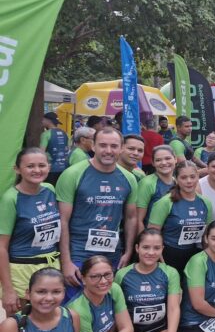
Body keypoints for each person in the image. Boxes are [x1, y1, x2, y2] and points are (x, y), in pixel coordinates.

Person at [56, 128, 138, 299]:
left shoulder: (129, 178)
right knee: (75, 308)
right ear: (93, 146)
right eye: (103, 145)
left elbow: (131, 217)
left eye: (114, 146)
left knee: (105, 306)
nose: (108, 150)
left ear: (121, 148)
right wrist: (66, 262)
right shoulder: (72, 174)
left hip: (111, 255)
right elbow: (62, 220)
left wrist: (128, 251)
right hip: (78, 254)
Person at [115, 229, 182, 332]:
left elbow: (174, 308)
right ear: (137, 248)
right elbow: (114, 311)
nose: (151, 252)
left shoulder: (170, 272)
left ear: (162, 250)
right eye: (146, 247)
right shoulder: (122, 275)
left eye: (156, 248)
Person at [0, 149, 62, 315]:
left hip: (51, 266)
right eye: (30, 166)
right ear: (17, 169)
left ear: (49, 167)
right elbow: (1, 247)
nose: (37, 170)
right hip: (21, 271)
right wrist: (8, 290)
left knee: (49, 323)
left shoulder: (50, 189)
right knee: (20, 327)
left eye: (42, 165)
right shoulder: (11, 198)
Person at [148, 161, 213, 274]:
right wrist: (160, 262)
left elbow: (206, 236)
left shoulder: (205, 202)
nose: (189, 181)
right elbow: (152, 235)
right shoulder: (165, 202)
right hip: (168, 255)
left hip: (193, 256)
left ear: (198, 177)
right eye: (183, 177)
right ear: (176, 179)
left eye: (192, 177)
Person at [136, 145, 177, 232]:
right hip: (153, 237)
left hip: (172, 238)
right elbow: (138, 220)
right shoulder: (147, 183)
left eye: (167, 158)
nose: (164, 162)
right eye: (158, 160)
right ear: (153, 163)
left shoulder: (177, 182)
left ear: (175, 159)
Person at [40, 112, 70, 186]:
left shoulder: (46, 134)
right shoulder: (64, 133)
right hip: (64, 168)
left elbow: (41, 153)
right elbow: (68, 149)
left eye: (43, 120)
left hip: (51, 169)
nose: (42, 121)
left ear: (48, 120)